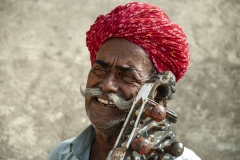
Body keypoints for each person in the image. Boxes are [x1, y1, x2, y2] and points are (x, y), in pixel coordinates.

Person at [47, 2, 201, 160]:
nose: (107, 85)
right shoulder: (62, 154)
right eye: (100, 70)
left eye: (127, 76)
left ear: (157, 92)